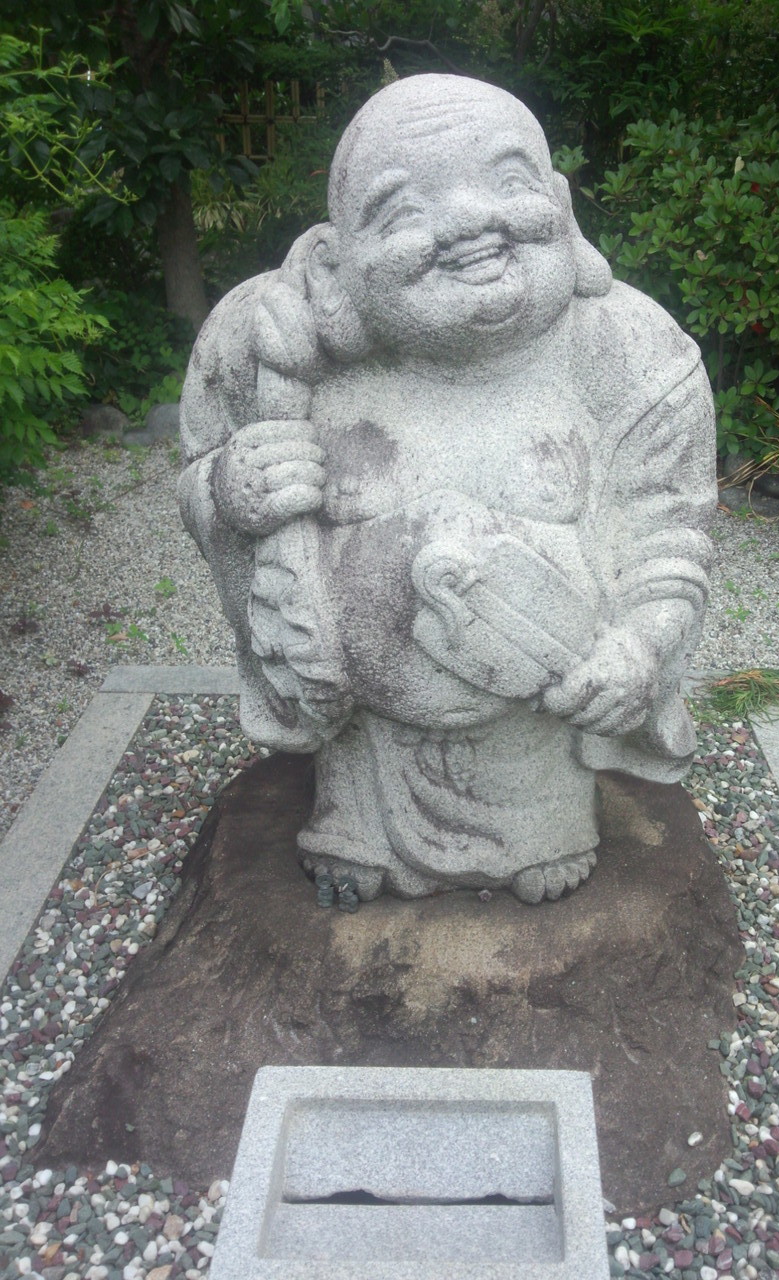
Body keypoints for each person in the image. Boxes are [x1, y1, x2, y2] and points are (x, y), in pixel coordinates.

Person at [178, 74, 716, 903]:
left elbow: (667, 530)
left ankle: (543, 827)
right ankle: (356, 826)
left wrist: (640, 645)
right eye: (402, 212)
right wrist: (231, 490)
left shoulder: (630, 353)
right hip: (364, 741)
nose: (468, 222)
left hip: (537, 726)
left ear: (561, 206)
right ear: (337, 261)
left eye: (507, 181)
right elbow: (204, 483)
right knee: (357, 789)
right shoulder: (278, 349)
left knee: (541, 800)